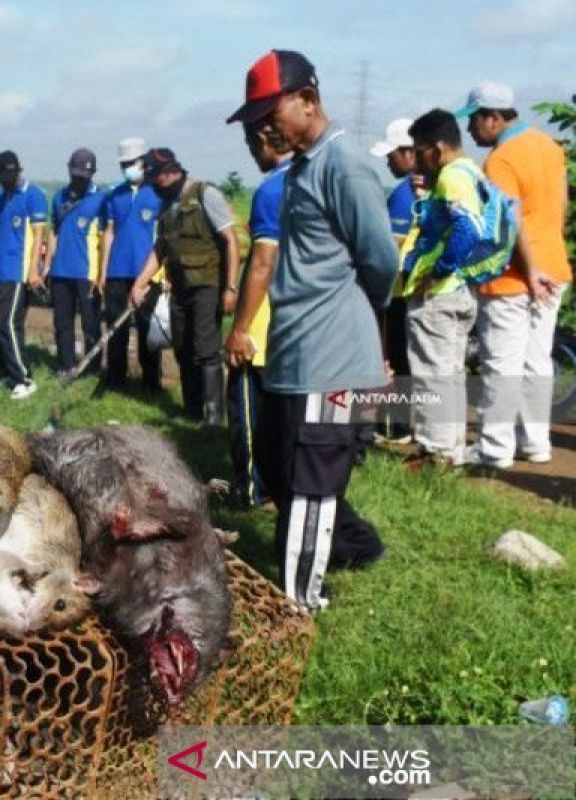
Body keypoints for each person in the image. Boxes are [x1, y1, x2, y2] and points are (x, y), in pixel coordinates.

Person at [227, 49, 396, 612]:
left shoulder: (342, 164)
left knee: (313, 484)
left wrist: (353, 318)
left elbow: (379, 260)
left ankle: (298, 602)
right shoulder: (299, 170)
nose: (262, 127)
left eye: (268, 113)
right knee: (285, 471)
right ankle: (348, 552)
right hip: (294, 352)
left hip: (330, 354)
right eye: (255, 119)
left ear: (307, 99)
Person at [459, 81, 570, 468]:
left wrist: (529, 267)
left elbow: (510, 220)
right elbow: (562, 204)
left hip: (514, 275)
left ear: (493, 117)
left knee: (501, 363)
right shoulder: (550, 148)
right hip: (554, 266)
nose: (471, 131)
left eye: (474, 121)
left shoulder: (501, 159)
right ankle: (535, 442)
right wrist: (544, 260)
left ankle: (494, 448)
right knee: (538, 361)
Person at [398, 109, 485, 466]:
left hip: (441, 292)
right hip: (460, 290)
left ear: (436, 148)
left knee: (433, 373)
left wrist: (437, 271)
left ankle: (434, 451)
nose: (417, 159)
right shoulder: (471, 172)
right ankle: (448, 448)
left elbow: (468, 229)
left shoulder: (452, 176)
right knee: (448, 372)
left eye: (419, 151)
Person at [130, 148, 240, 420]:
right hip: (179, 288)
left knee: (205, 350)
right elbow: (160, 249)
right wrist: (139, 283)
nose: (154, 184)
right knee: (182, 347)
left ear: (172, 172)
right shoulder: (166, 206)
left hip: (208, 286)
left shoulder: (205, 195)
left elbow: (231, 240)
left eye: (157, 177)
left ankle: (213, 418)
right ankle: (191, 411)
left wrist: (231, 287)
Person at [222, 122, 292, 507]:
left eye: (252, 145)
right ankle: (284, 488)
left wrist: (240, 328)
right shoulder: (316, 181)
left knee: (248, 411)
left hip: (263, 322)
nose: (253, 154)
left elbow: (262, 263)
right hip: (300, 326)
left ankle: (250, 490)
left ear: (267, 139)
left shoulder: (271, 190)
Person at [100, 137, 163, 389]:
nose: (127, 168)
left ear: (143, 162)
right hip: (117, 270)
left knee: (148, 330)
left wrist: (163, 273)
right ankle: (116, 379)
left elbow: (164, 236)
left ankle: (150, 382)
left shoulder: (157, 193)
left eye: (131, 163)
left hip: (146, 273)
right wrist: (103, 271)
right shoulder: (115, 195)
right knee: (116, 329)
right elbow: (109, 232)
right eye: (123, 164)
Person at [370, 118, 418, 443]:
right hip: (416, 288)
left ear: (408, 151)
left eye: (392, 154)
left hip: (398, 288)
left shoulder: (404, 192)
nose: (388, 160)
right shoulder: (425, 184)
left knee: (395, 359)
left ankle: (396, 426)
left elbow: (394, 245)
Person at [0, 150, 47, 399]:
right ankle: (11, 373)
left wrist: (34, 269)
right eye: (4, 175)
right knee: (4, 325)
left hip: (18, 271)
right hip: (0, 271)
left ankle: (24, 378)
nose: (9, 178)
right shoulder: (2, 200)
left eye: (13, 173)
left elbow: (39, 236)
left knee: (6, 322)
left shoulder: (33, 196)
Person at [44, 147, 105, 378]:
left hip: (87, 271)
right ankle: (65, 364)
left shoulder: (100, 199)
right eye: (76, 174)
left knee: (90, 323)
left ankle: (92, 367)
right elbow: (54, 231)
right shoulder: (59, 196)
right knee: (62, 323)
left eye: (84, 176)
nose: (79, 180)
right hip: (60, 271)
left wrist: (101, 274)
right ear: (69, 171)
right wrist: (48, 263)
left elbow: (105, 237)